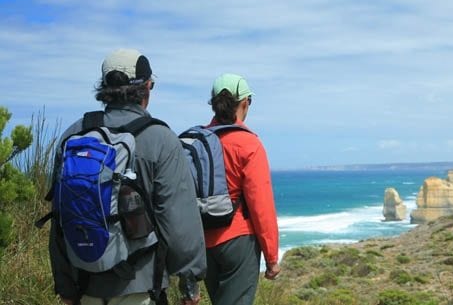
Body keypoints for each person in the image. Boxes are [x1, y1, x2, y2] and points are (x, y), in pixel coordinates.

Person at [48, 49, 206, 305]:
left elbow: (59, 218)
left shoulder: (73, 135)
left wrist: (65, 286)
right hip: (141, 287)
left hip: (86, 286)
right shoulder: (160, 139)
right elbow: (178, 220)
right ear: (146, 88)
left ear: (104, 88)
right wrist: (190, 281)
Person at [202, 73, 280, 305]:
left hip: (203, 240)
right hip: (238, 240)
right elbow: (260, 204)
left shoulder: (199, 139)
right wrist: (272, 256)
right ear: (245, 102)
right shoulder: (248, 143)